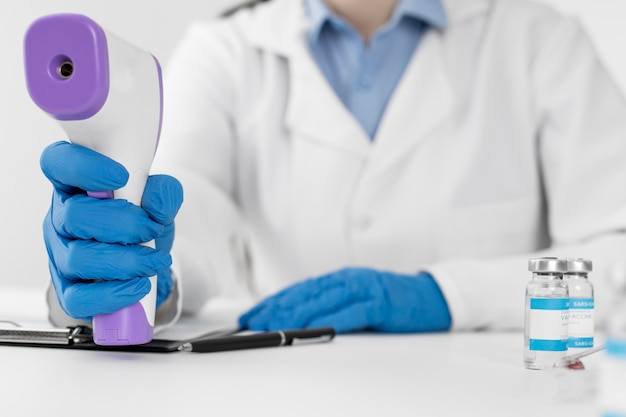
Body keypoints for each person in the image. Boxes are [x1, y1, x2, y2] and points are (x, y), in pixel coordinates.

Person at [41, 0, 626, 334]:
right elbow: (188, 206)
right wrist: (143, 271)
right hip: (291, 391)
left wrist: (449, 295)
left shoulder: (542, 43)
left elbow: (615, 252)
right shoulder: (226, 51)